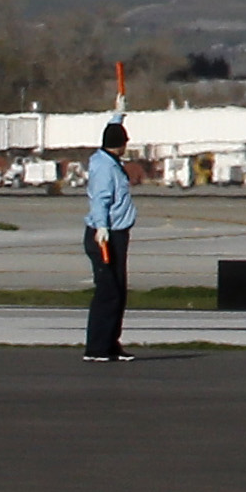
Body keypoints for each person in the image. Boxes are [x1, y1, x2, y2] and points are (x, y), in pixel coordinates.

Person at [80, 119, 135, 362]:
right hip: (106, 235)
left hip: (118, 234)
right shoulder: (105, 167)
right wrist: (101, 226)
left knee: (119, 291)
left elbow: (110, 130)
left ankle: (111, 343)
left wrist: (117, 114)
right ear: (121, 145)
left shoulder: (106, 160)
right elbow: (101, 198)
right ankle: (96, 347)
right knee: (108, 291)